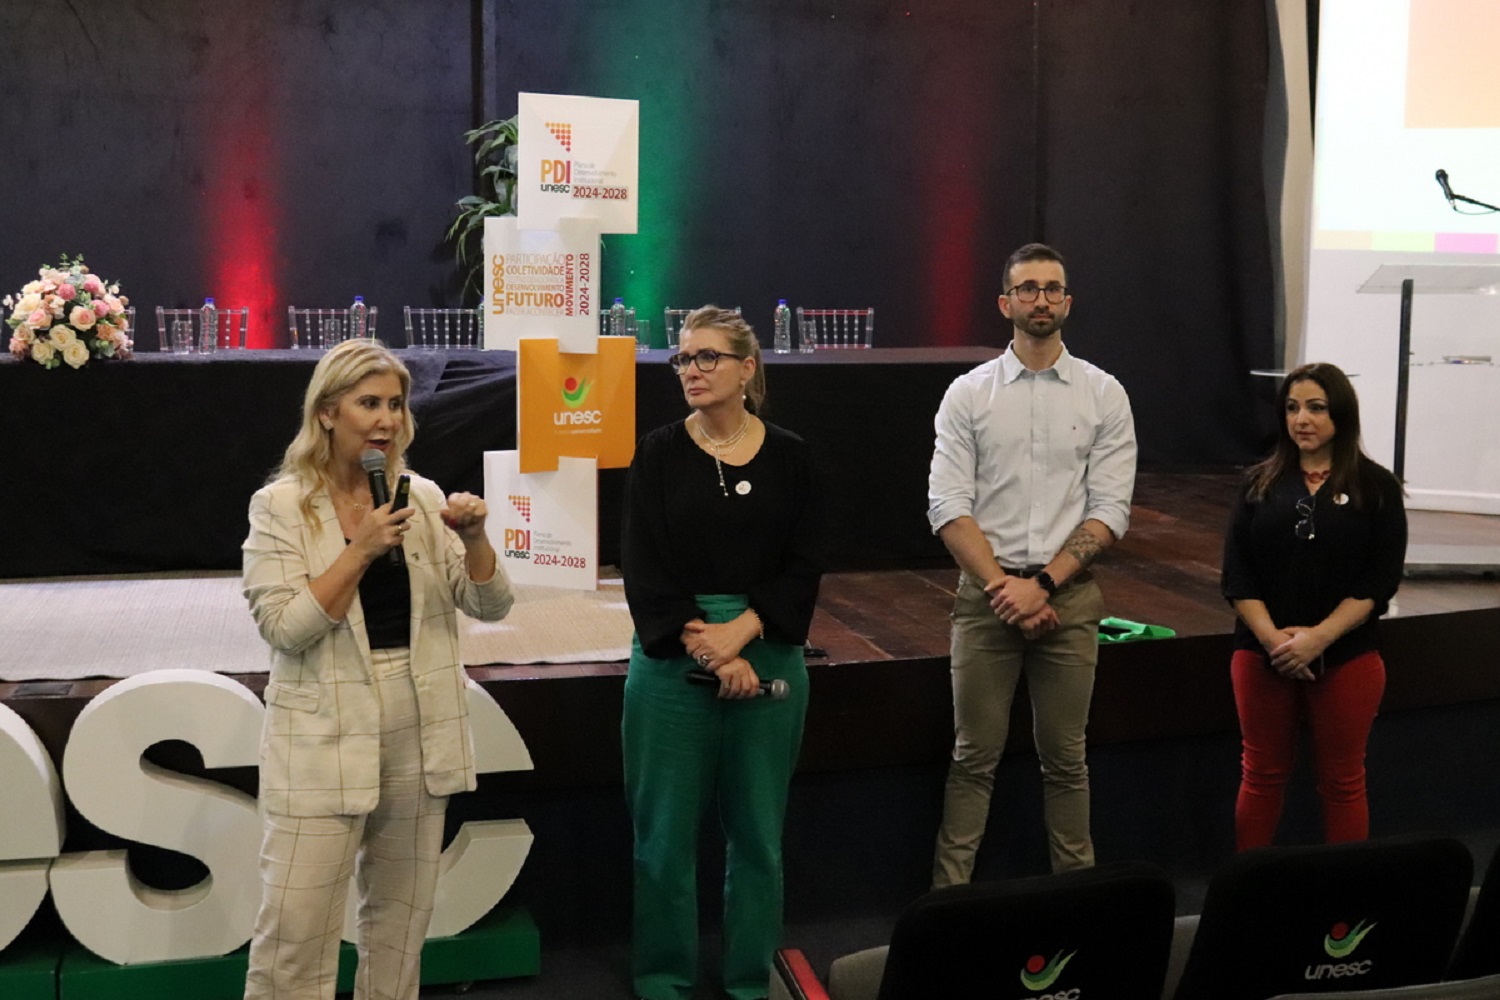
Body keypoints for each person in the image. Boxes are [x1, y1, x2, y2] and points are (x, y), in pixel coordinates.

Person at [241, 339, 513, 1000]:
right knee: (295, 934)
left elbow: (491, 604)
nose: (387, 419)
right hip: (322, 736)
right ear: (328, 412)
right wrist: (359, 551)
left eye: (396, 404)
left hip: (419, 726)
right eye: (369, 404)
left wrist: (475, 538)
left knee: (399, 931)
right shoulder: (280, 506)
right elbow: (285, 627)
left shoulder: (420, 497)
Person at [620, 306, 823, 1000]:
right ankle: (663, 981)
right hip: (675, 652)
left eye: (708, 357)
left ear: (747, 368)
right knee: (663, 841)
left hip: (766, 645)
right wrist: (711, 646)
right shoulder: (657, 453)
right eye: (683, 359)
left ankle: (749, 983)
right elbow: (643, 564)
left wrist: (745, 631)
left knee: (759, 839)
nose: (692, 370)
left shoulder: (792, 456)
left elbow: (805, 561)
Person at [927, 243, 1137, 885]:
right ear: (1005, 303)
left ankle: (1077, 904)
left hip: (1068, 599)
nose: (1040, 299)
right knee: (972, 758)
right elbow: (947, 506)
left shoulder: (1104, 393)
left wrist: (1042, 586)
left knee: (1067, 761)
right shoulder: (968, 395)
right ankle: (947, 905)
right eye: (1027, 288)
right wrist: (1005, 589)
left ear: (1067, 301)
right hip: (986, 598)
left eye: (1051, 288)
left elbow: (1110, 510)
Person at [1221, 362, 1406, 850]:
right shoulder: (1258, 484)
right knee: (1261, 774)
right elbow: (1237, 576)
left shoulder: (1376, 487)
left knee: (1343, 781)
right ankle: (1249, 887)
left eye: (1316, 408)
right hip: (1262, 654)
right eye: (1293, 408)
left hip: (1346, 655)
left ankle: (1342, 895)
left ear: (1341, 414)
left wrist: (1319, 638)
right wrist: (1273, 641)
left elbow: (1379, 581)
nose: (1302, 419)